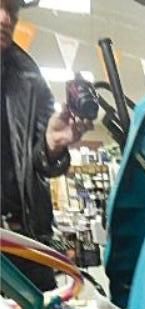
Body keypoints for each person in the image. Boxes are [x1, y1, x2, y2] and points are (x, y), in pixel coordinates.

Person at [1, 0, 92, 289]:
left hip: (24, 245)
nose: (6, 18)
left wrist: (52, 144)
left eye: (12, 10)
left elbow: (39, 164)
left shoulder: (29, 76)